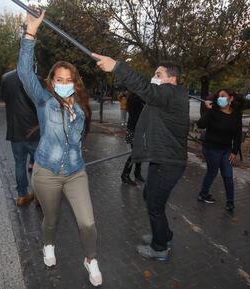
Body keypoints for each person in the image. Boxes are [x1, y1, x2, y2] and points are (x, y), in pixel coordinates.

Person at [17, 10, 102, 286]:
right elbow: (23, 73)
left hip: (76, 172)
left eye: (68, 80)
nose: (64, 84)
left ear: (73, 83)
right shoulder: (44, 101)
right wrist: (30, 34)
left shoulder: (81, 107)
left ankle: (90, 259)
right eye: (59, 79)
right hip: (47, 173)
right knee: (51, 219)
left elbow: (77, 140)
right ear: (52, 82)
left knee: (88, 222)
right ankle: (48, 244)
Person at [94, 53, 189, 261]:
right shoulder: (168, 97)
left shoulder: (170, 93)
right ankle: (163, 235)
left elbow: (145, 88)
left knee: (154, 204)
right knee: (149, 196)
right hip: (160, 158)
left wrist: (117, 67)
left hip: (169, 162)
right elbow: (146, 97)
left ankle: (159, 247)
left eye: (158, 74)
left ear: (172, 79)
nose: (154, 78)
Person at [196, 89, 243, 212]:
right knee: (212, 172)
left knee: (228, 175)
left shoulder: (236, 114)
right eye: (218, 96)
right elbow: (200, 125)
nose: (219, 98)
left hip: (226, 150)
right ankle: (203, 193)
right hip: (211, 148)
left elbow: (238, 135)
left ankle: (230, 202)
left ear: (231, 98)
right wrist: (208, 110)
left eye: (223, 96)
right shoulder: (213, 112)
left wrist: (234, 152)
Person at [1, 69, 40, 207]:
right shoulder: (34, 78)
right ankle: (40, 197)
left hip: (15, 129)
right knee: (41, 166)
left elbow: (5, 99)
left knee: (19, 163)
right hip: (33, 131)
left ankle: (22, 196)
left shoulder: (5, 78)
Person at [121, 92, 145, 185]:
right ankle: (125, 175)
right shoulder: (135, 98)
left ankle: (137, 173)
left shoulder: (135, 97)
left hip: (137, 129)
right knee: (135, 153)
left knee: (140, 152)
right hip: (134, 129)